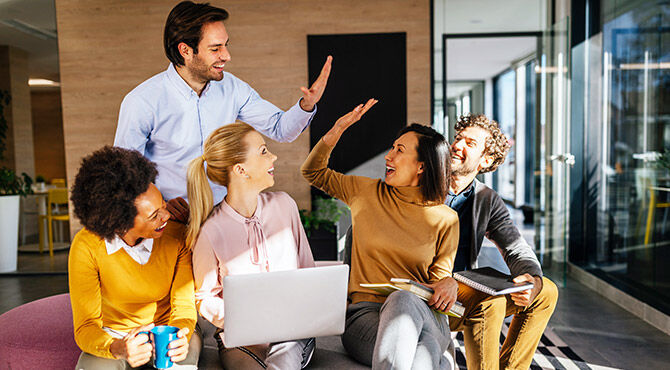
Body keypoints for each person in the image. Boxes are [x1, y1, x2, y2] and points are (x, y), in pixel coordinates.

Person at [114, 0, 332, 221]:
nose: (226, 56)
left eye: (226, 45)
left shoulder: (233, 88)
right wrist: (160, 205)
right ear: (185, 50)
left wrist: (307, 105)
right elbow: (126, 174)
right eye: (215, 48)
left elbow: (280, 129)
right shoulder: (141, 101)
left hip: (224, 218)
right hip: (170, 222)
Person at [302, 99, 459, 370]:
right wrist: (337, 130)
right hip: (365, 316)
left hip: (423, 314)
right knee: (429, 352)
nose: (389, 156)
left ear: (422, 166)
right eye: (392, 148)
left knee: (404, 297)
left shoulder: (446, 218)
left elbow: (439, 279)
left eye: (399, 150)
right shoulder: (366, 193)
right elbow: (313, 172)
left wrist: (449, 283)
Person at [187, 123, 316, 369]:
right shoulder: (210, 230)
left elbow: (307, 270)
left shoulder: (284, 206)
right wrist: (242, 320)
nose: (274, 156)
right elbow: (204, 298)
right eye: (264, 151)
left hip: (291, 332)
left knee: (284, 359)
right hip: (241, 338)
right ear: (241, 169)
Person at [68, 146, 199, 369]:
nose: (166, 216)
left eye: (163, 206)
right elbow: (86, 326)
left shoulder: (176, 236)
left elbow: (184, 308)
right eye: (154, 215)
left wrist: (179, 336)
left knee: (181, 361)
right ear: (120, 222)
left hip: (166, 329)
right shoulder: (87, 246)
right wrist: (116, 347)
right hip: (114, 335)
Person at [445, 113, 559, 370]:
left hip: (464, 288)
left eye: (469, 143)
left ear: (485, 160)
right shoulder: (424, 185)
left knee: (545, 291)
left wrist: (532, 278)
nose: (457, 145)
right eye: (457, 139)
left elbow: (515, 246)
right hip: (430, 288)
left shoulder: (487, 198)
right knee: (490, 302)